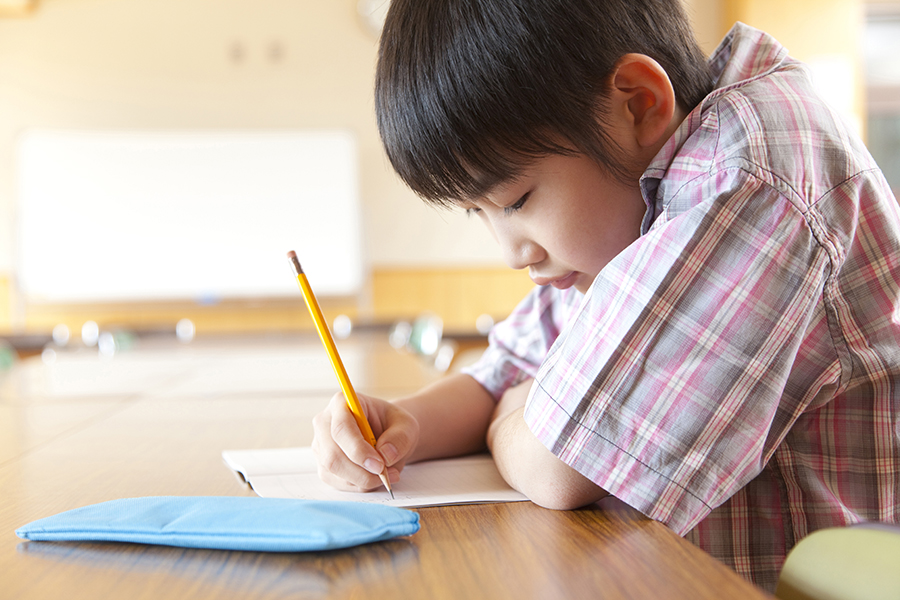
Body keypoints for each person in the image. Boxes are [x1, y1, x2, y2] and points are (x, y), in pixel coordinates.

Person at [311, 0, 900, 591]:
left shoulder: (746, 176)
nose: (513, 251)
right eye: (477, 213)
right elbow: (502, 374)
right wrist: (405, 422)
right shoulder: (621, 224)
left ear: (639, 103)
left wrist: (510, 419)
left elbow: (558, 468)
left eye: (516, 202)